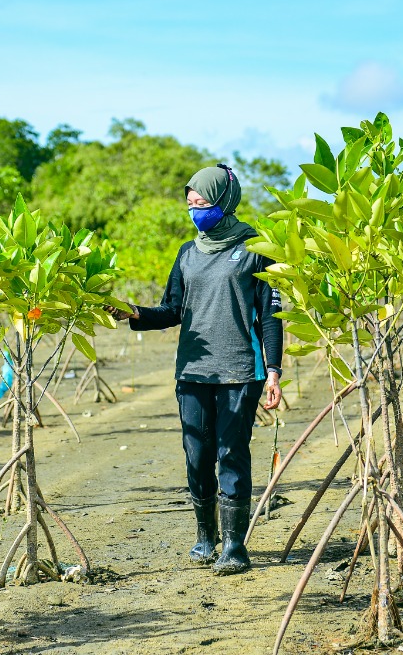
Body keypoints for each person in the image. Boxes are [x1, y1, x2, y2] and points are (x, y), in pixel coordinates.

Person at [106, 163, 283, 575]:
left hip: (241, 370)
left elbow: (270, 316)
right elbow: (172, 310)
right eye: (190, 204)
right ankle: (206, 538)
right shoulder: (188, 253)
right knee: (197, 454)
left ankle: (235, 547)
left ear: (224, 201)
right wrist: (133, 312)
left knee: (231, 454)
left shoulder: (258, 249)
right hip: (192, 371)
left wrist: (273, 369)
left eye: (202, 202)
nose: (195, 210)